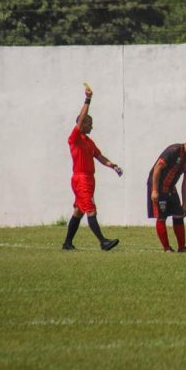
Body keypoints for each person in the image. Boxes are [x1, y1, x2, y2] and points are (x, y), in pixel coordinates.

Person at [62, 85, 123, 251]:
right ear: (83, 124)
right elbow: (80, 119)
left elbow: (99, 156)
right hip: (81, 178)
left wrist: (113, 166)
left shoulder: (89, 142)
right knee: (90, 209)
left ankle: (67, 243)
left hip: (89, 178)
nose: (92, 127)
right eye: (90, 124)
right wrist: (88, 100)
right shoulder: (75, 138)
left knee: (78, 211)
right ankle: (103, 242)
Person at [147, 133, 186, 252]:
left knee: (179, 214)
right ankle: (167, 248)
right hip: (158, 186)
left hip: (170, 187)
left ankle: (182, 247)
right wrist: (154, 190)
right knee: (161, 217)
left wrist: (184, 203)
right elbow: (157, 168)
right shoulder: (173, 151)